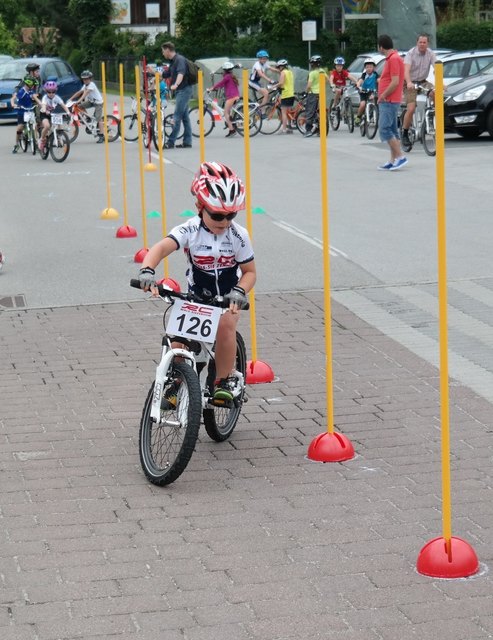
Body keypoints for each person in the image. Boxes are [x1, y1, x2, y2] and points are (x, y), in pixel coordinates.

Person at [138, 161, 256, 404]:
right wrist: (147, 270)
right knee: (177, 338)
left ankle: (222, 381)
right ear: (200, 206)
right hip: (195, 296)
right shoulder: (190, 229)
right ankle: (176, 381)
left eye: (231, 215)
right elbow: (160, 248)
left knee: (225, 325)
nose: (224, 222)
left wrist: (239, 291)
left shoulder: (238, 235)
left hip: (226, 299)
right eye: (217, 215)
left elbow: (250, 272)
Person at [377, 34, 408, 171]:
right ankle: (393, 159)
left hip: (388, 100)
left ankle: (400, 156)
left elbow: (395, 81)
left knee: (384, 128)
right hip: (389, 99)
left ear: (381, 47)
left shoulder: (394, 59)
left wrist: (383, 95)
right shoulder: (393, 58)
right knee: (392, 130)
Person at [402, 33, 436, 146]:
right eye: (420, 42)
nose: (422, 44)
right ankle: (405, 133)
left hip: (422, 81)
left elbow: (437, 67)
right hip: (409, 82)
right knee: (411, 108)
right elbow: (406, 71)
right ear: (417, 43)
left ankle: (433, 116)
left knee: (436, 93)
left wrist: (440, 82)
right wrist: (409, 82)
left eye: (424, 42)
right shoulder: (410, 54)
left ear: (428, 44)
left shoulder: (430, 53)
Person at [161, 41, 193, 149]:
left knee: (177, 116)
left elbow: (181, 73)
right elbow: (167, 74)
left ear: (167, 50)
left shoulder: (179, 60)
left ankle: (170, 142)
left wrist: (176, 84)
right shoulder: (173, 61)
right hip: (182, 90)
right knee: (185, 117)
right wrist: (154, 72)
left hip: (184, 90)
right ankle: (187, 142)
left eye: (163, 51)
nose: (162, 53)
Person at [68, 70, 105, 143]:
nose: (85, 80)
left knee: (98, 119)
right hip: (91, 102)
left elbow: (85, 93)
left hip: (98, 103)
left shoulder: (91, 85)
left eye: (86, 79)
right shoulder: (85, 85)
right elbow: (79, 92)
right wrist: (70, 99)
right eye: (84, 79)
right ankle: (88, 118)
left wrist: (78, 101)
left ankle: (101, 135)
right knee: (80, 106)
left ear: (90, 79)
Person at [207, 62, 240, 137]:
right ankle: (231, 124)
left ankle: (232, 130)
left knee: (225, 113)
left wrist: (211, 88)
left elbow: (220, 83)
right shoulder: (230, 76)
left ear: (225, 70)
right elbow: (224, 85)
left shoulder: (227, 77)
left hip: (232, 97)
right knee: (228, 113)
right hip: (234, 96)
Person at [11, 76, 41, 154]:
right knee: (19, 128)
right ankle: (16, 144)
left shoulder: (31, 91)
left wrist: (41, 104)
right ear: (28, 84)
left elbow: (35, 98)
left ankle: (36, 143)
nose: (34, 86)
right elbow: (13, 98)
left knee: (35, 127)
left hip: (30, 111)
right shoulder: (21, 91)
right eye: (33, 85)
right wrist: (13, 104)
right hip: (22, 111)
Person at [38, 81, 72, 151]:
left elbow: (63, 106)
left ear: (55, 91)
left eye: (53, 92)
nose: (51, 94)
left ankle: (59, 137)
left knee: (59, 124)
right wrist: (45, 110)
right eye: (49, 92)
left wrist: (68, 112)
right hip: (44, 114)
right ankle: (41, 139)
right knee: (47, 126)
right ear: (46, 91)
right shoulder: (45, 98)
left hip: (52, 113)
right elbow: (43, 105)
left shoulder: (57, 98)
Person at [304, 54, 329, 138]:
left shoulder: (312, 73)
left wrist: (306, 92)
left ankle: (308, 130)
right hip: (321, 93)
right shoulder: (322, 71)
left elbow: (309, 85)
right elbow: (327, 79)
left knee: (310, 111)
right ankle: (320, 129)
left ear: (312, 64)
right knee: (321, 111)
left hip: (313, 94)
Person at [271, 59, 295, 134]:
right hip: (291, 94)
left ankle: (284, 129)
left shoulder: (283, 73)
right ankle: (289, 127)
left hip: (285, 94)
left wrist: (273, 86)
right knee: (289, 112)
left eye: (279, 67)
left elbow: (281, 83)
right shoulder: (290, 72)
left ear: (282, 66)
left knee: (284, 112)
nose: (278, 68)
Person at [355, 58, 379, 125]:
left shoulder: (375, 74)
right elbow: (361, 80)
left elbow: (379, 80)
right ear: (365, 68)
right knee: (362, 104)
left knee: (374, 100)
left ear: (374, 67)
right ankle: (358, 117)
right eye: (367, 67)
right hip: (363, 91)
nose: (369, 68)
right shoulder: (364, 74)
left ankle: (372, 114)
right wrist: (358, 85)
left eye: (370, 67)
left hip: (372, 91)